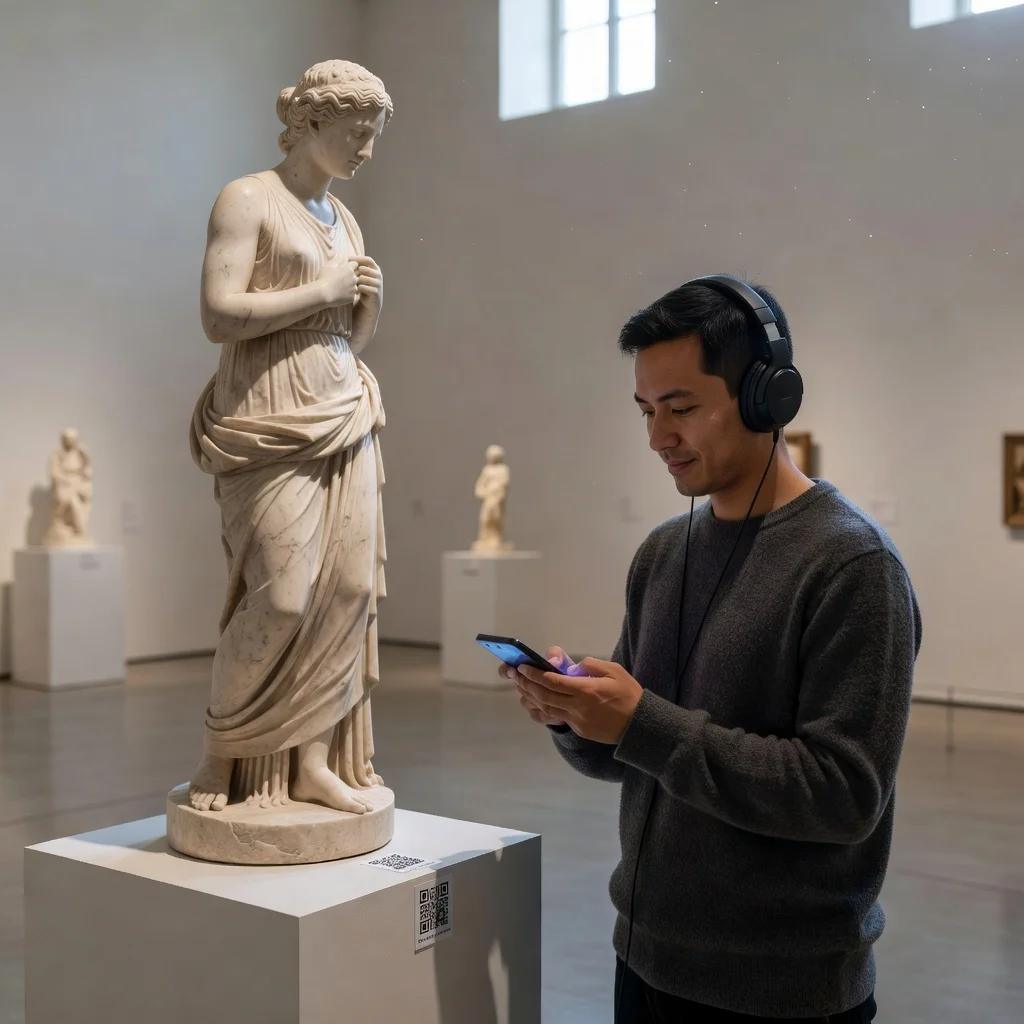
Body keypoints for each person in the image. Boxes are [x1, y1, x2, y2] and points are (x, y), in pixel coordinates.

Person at [505, 277, 922, 1022]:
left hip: (784, 993)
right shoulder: (664, 553)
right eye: (645, 411)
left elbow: (842, 794)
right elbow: (626, 753)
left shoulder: (853, 567)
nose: (658, 438)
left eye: (681, 408)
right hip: (644, 961)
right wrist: (573, 715)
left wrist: (639, 723)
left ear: (768, 397)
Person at [186, 60, 392, 815]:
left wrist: (365, 305)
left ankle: (311, 761)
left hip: (343, 409)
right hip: (268, 415)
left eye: (374, 134)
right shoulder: (249, 198)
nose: (366, 147)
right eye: (356, 131)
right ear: (310, 123)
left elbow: (343, 336)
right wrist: (326, 290)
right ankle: (224, 753)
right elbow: (217, 313)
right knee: (280, 596)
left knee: (345, 590)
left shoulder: (346, 217)